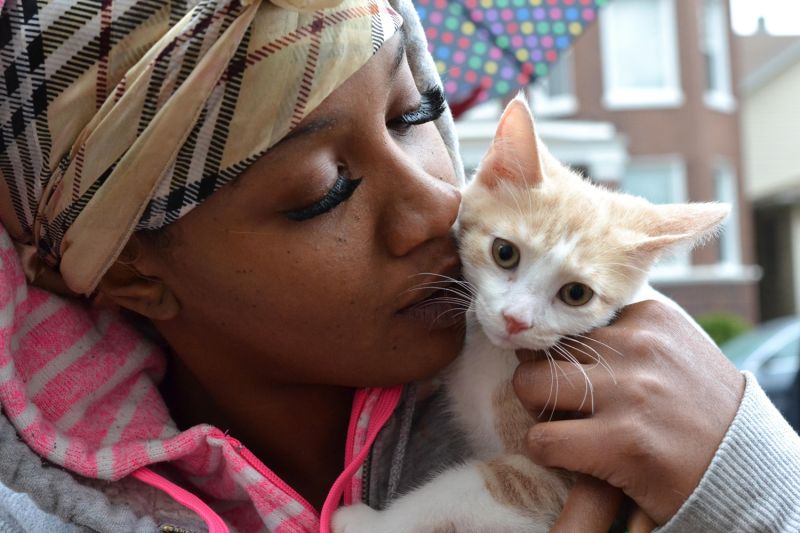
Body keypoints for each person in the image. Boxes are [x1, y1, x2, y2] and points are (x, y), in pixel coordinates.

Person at [0, 0, 798, 532]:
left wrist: (750, 479)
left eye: (414, 111)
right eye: (324, 189)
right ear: (132, 275)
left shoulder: (629, 404)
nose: (439, 208)